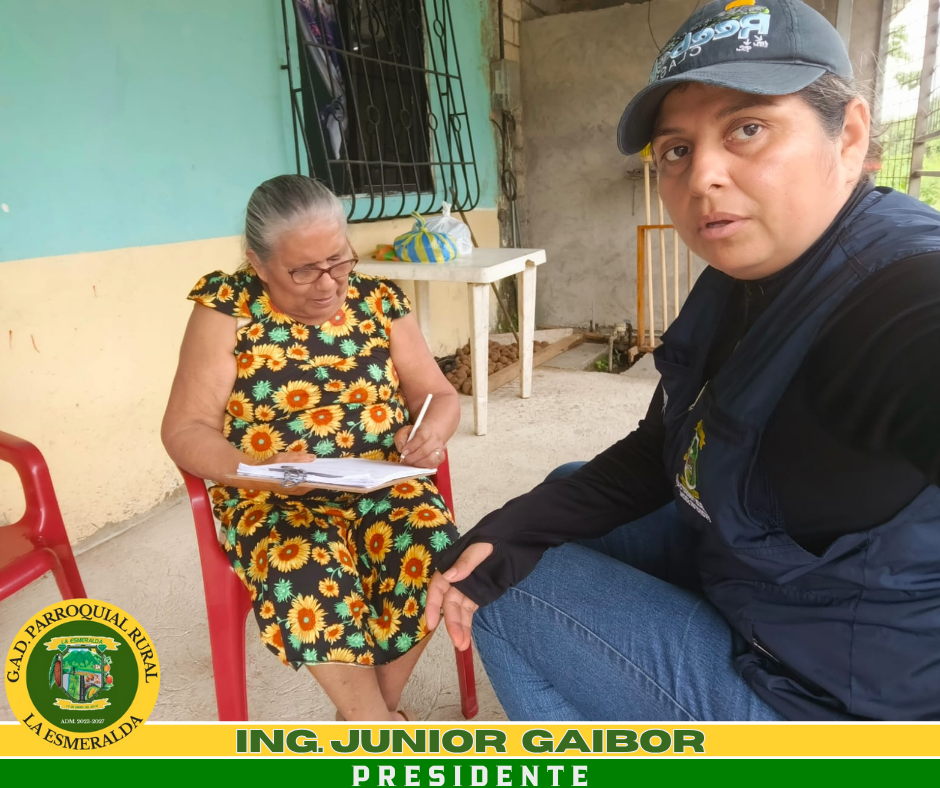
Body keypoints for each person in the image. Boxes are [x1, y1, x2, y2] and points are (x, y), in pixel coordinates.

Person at [427, 0, 940, 721]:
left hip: (826, 695)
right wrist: (515, 525)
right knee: (544, 509)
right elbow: (666, 445)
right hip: (766, 589)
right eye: (676, 149)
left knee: (513, 591)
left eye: (748, 129)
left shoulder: (896, 292)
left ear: (849, 136)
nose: (702, 177)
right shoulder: (741, 275)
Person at [162, 175, 460, 721]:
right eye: (303, 270)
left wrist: (431, 433)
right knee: (300, 565)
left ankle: (369, 715)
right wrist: (253, 469)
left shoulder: (379, 300)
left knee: (437, 553)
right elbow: (185, 428)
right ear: (258, 263)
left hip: (381, 481)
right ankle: (375, 726)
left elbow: (437, 394)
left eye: (338, 261)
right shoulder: (227, 308)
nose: (328, 284)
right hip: (269, 494)